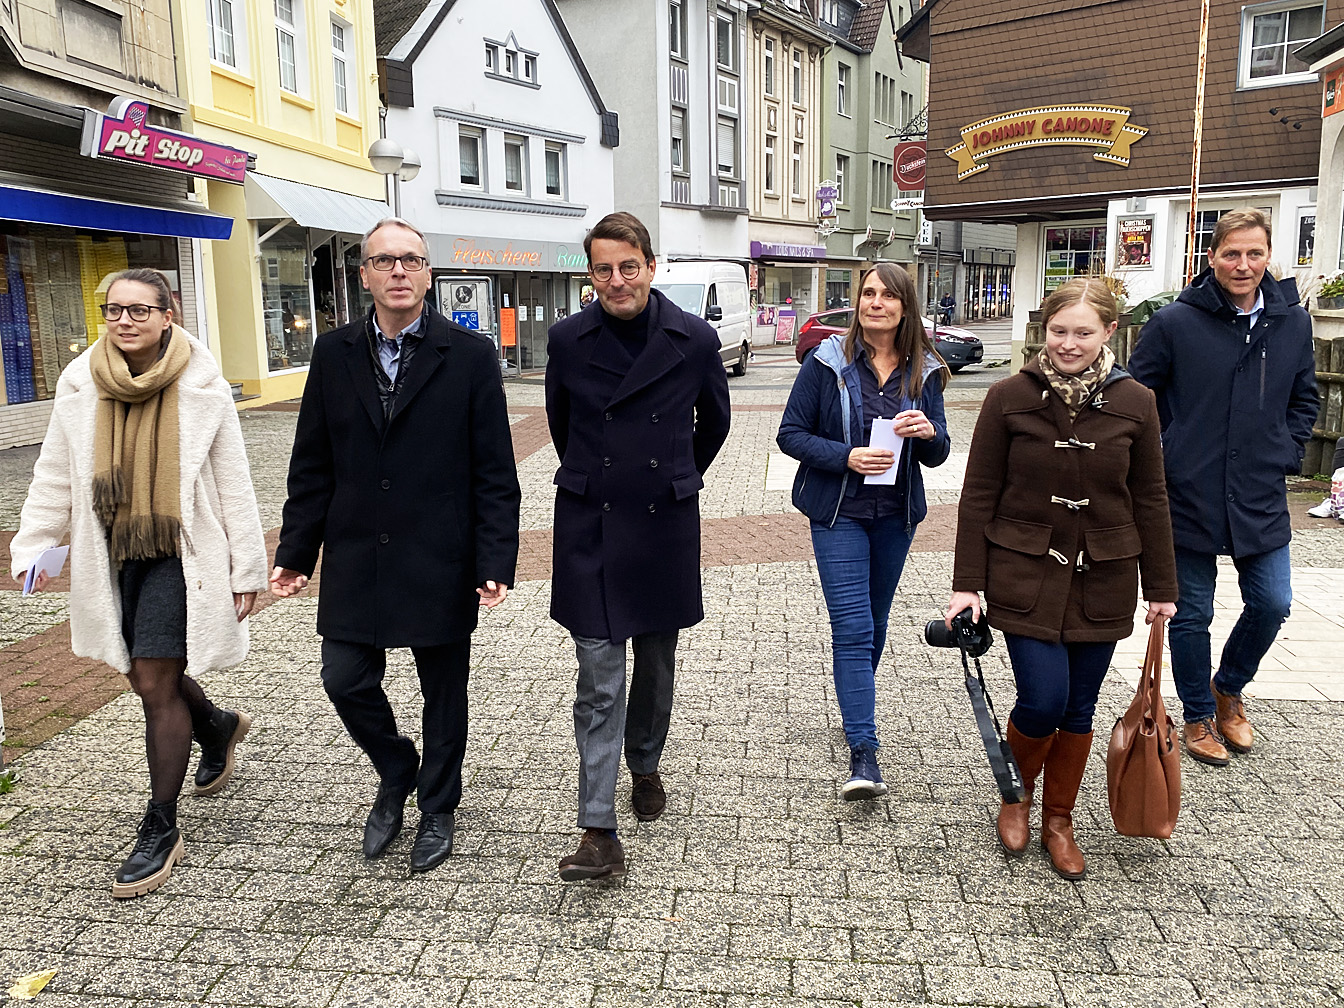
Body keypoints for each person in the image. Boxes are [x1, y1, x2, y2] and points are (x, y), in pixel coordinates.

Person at [270, 217, 520, 872]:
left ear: (428, 273)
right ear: (365, 276)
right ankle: (395, 765)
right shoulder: (332, 353)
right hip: (358, 555)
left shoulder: (468, 355)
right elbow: (312, 464)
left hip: (440, 552)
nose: (399, 272)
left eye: (411, 260)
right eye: (385, 261)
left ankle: (437, 807)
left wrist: (494, 560)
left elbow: (495, 471)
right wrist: (296, 554)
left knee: (445, 693)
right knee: (344, 677)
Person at [9, 268, 268, 898]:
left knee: (153, 679)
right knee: (138, 668)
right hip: (110, 549)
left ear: (167, 316)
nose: (125, 321)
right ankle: (217, 726)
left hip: (181, 552)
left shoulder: (201, 384)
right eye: (115, 310)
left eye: (140, 310)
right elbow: (55, 474)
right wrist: (36, 542)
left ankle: (160, 824)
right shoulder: (80, 384)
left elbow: (233, 480)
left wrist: (247, 566)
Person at [946, 278, 1178, 878]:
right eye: (1058, 331)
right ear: (1042, 332)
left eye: (1083, 332)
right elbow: (978, 497)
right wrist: (966, 583)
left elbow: (1151, 498)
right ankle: (1015, 793)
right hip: (1022, 572)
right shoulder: (1006, 397)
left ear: (1108, 333)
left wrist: (1162, 589)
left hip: (1104, 574)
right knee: (1043, 698)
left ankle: (1059, 818)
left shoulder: (1138, 403)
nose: (1068, 344)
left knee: (1079, 707)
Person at [545, 211, 731, 881]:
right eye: (603, 269)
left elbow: (714, 423)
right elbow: (562, 426)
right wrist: (597, 479)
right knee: (599, 680)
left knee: (655, 664)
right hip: (591, 524)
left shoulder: (696, 338)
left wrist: (678, 475)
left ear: (651, 266)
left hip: (662, 524)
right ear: (589, 275)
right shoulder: (567, 339)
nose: (617, 280)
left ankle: (645, 761)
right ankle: (598, 828)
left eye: (629, 266)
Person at [1128, 208, 1318, 766]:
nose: (1243, 264)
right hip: (1188, 490)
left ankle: (1228, 687)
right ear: (1211, 257)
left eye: (1254, 253)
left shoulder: (1293, 322)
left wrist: (1286, 450)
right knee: (1191, 613)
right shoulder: (1175, 322)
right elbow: (1138, 399)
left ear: (1267, 257)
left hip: (1259, 489)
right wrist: (1168, 451)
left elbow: (1304, 397)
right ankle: (1195, 714)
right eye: (1231, 253)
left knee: (1273, 601)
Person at [778, 262, 951, 800]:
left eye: (887, 295)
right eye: (867, 293)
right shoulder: (826, 363)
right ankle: (864, 752)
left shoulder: (925, 370)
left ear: (905, 306)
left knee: (874, 625)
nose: (875, 302)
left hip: (895, 519)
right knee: (852, 627)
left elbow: (940, 451)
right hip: (839, 515)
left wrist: (926, 432)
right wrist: (845, 456)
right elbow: (790, 434)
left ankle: (856, 705)